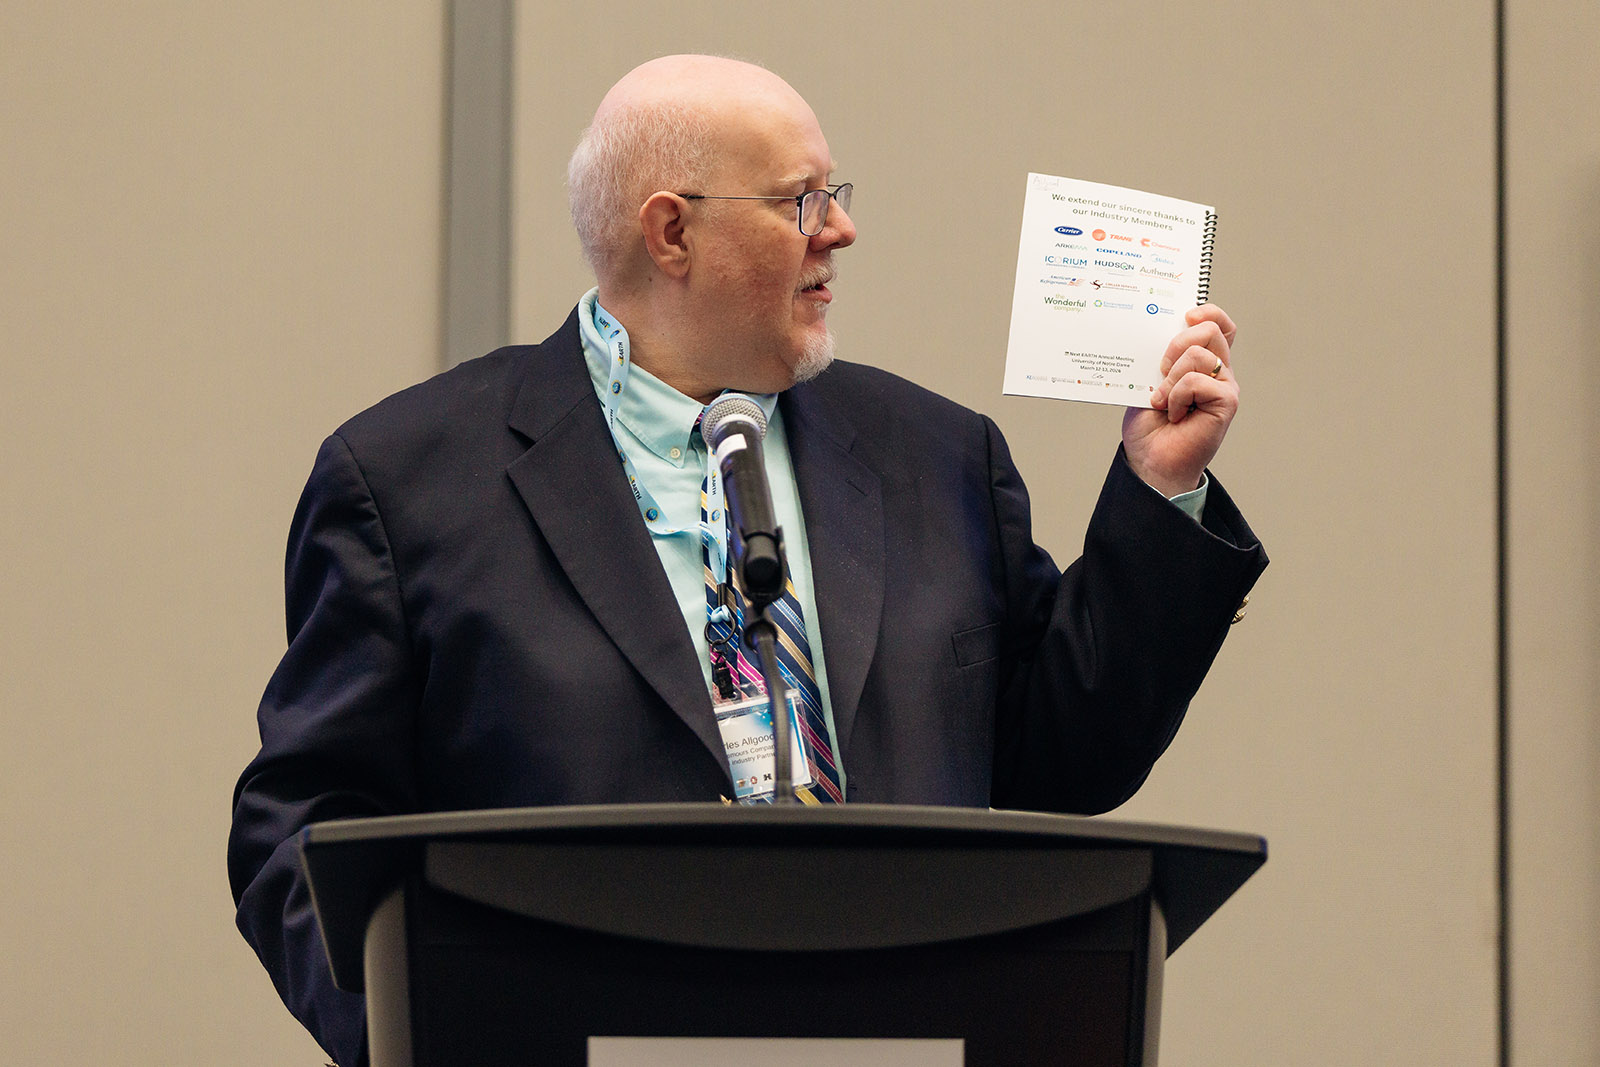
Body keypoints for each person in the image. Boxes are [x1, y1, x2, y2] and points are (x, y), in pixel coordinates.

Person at [228, 54, 1266, 1066]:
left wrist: (1158, 486)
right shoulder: (409, 478)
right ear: (671, 231)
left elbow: (1063, 757)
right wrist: (424, 1033)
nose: (842, 230)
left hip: (912, 1026)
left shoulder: (937, 455)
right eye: (801, 201)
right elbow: (302, 826)